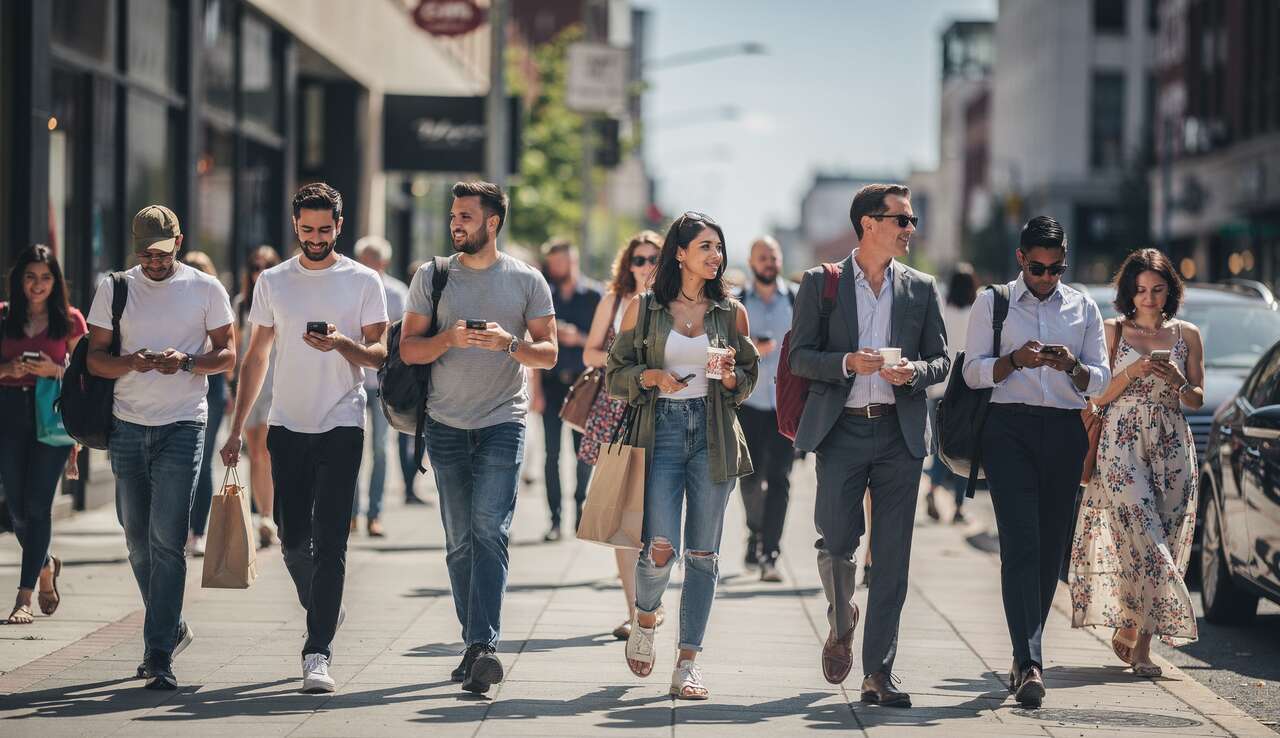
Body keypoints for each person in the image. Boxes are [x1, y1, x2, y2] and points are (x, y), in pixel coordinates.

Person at [220, 183, 388, 694]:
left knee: (332, 538)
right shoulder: (274, 281)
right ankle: (324, 608)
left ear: (339, 225)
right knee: (294, 540)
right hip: (287, 424)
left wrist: (341, 342)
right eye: (307, 228)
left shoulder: (363, 280)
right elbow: (256, 356)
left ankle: (317, 651)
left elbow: (381, 354)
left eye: (325, 229)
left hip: (343, 421)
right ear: (295, 225)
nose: (316, 238)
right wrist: (235, 428)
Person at [787, 184, 948, 707]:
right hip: (842, 430)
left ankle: (879, 672)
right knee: (836, 541)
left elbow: (943, 361)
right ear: (868, 224)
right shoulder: (821, 283)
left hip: (900, 436)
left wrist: (913, 372)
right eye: (901, 220)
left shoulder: (921, 288)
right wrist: (845, 364)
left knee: (893, 559)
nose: (909, 229)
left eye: (911, 220)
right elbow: (800, 358)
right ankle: (841, 619)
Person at [400, 181, 557, 694]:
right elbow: (408, 351)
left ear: (492, 222)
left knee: (490, 529)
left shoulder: (527, 280)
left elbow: (549, 353)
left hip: (502, 422)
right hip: (445, 424)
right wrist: (448, 338)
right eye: (454, 215)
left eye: (466, 215)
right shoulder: (433, 276)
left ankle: (483, 644)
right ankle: (474, 645)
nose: (456, 223)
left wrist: (508, 343)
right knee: (459, 539)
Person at [608, 210, 760, 701]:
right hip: (662, 433)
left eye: (719, 247)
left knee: (703, 554)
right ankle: (646, 620)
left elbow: (747, 378)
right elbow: (615, 373)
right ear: (680, 252)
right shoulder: (644, 308)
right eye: (705, 247)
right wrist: (650, 377)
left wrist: (734, 378)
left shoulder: (731, 313)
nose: (716, 256)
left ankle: (687, 663)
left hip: (713, 435)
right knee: (659, 547)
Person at [962, 215, 1110, 708]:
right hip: (1009, 431)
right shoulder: (994, 302)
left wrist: (1071, 366)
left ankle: (1027, 648)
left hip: (1065, 432)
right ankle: (1029, 661)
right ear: (1021, 259)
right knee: (1021, 543)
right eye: (1039, 268)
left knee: (1050, 552)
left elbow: (1103, 381)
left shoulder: (1082, 305)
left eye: (1057, 269)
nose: (1048, 278)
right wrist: (1015, 362)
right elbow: (973, 371)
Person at [86, 205, 236, 689]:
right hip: (127, 425)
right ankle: (171, 625)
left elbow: (227, 354)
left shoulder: (205, 288)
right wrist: (131, 361)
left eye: (162, 252)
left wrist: (188, 362)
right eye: (145, 253)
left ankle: (158, 655)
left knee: (168, 543)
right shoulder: (116, 288)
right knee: (135, 541)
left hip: (181, 426)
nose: (153, 262)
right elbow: (95, 361)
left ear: (179, 241)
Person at [1070, 248, 1203, 677]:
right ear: (1129, 291)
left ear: (1171, 291)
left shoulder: (1188, 334)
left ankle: (1139, 637)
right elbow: (1097, 396)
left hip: (1174, 447)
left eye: (1158, 289)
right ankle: (1137, 625)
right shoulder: (1112, 331)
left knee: (1163, 533)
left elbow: (1197, 399)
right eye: (1141, 289)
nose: (1148, 298)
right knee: (1143, 538)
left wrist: (1179, 381)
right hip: (1122, 445)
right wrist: (1134, 371)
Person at [579, 229, 663, 640]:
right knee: (625, 518)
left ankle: (651, 601)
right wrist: (622, 361)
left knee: (657, 517)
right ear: (628, 265)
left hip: (665, 414)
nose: (647, 267)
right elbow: (590, 352)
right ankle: (635, 611)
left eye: (654, 259)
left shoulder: (674, 302)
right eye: (639, 260)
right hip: (619, 413)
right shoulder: (613, 301)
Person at [0, 245, 85, 625]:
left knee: (37, 506)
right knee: (16, 510)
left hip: (51, 420)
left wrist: (57, 371)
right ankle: (45, 563)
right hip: (10, 414)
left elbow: (87, 378)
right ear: (19, 279)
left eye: (46, 277)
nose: (37, 284)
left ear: (56, 282)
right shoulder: (3, 317)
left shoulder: (70, 321)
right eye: (31, 276)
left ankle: (24, 597)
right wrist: (8, 369)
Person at [531, 239, 602, 541]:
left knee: (583, 454)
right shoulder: (544, 294)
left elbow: (607, 344)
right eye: (553, 263)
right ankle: (555, 520)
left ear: (573, 260)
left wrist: (580, 338)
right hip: (551, 383)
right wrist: (535, 390)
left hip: (584, 385)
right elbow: (534, 344)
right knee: (550, 455)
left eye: (562, 262)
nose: (557, 268)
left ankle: (580, 511)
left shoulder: (595, 296)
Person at [736, 236, 796, 583]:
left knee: (780, 479)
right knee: (749, 477)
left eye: (773, 256)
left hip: (785, 407)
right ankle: (755, 531)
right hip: (748, 402)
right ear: (752, 262)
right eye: (762, 257)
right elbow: (726, 347)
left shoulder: (797, 300)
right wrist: (751, 348)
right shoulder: (739, 302)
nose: (768, 262)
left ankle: (770, 551)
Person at [350, 235, 415, 537]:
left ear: (383, 263)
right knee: (351, 449)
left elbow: (402, 337)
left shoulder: (397, 292)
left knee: (379, 450)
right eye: (362, 259)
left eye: (371, 260)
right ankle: (350, 514)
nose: (366, 266)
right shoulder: (349, 287)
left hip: (383, 383)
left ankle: (374, 514)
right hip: (353, 381)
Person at [232, 245, 282, 549]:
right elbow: (237, 350)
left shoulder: (281, 300)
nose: (258, 272)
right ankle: (260, 513)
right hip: (249, 386)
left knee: (265, 450)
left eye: (266, 266)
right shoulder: (240, 305)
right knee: (253, 453)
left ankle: (268, 515)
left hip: (275, 383)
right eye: (254, 267)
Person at [180, 250, 227, 557]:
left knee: (203, 461)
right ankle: (181, 530)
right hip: (184, 388)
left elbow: (227, 355)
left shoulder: (213, 300)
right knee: (184, 465)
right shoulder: (178, 303)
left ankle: (197, 530)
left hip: (212, 390)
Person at [925, 264, 978, 523]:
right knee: (962, 450)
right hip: (965, 391)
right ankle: (958, 508)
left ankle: (933, 489)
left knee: (939, 448)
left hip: (937, 388)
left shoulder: (942, 311)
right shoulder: (976, 314)